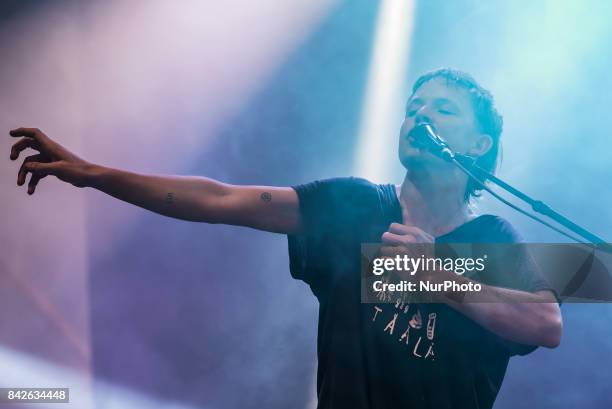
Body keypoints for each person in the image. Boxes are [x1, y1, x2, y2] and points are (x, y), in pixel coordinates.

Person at [8, 68, 562, 409]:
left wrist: (433, 274)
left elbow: (545, 322)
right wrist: (93, 173)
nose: (418, 115)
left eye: (442, 108)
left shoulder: (491, 238)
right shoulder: (353, 207)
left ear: (479, 142)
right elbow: (220, 199)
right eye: (412, 106)